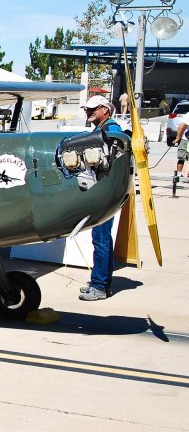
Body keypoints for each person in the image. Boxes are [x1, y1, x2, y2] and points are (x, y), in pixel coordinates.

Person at [79, 95, 122, 301]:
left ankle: (99, 286)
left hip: (104, 193)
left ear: (105, 109)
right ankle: (102, 283)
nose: (89, 112)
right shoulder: (103, 129)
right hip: (104, 192)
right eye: (87, 110)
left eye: (93, 109)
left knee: (101, 238)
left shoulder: (111, 130)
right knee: (103, 238)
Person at [172, 110, 189, 177]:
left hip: (185, 140)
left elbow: (181, 127)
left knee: (181, 158)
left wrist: (178, 137)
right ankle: (181, 175)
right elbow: (182, 127)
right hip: (186, 139)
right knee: (183, 158)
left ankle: (179, 174)